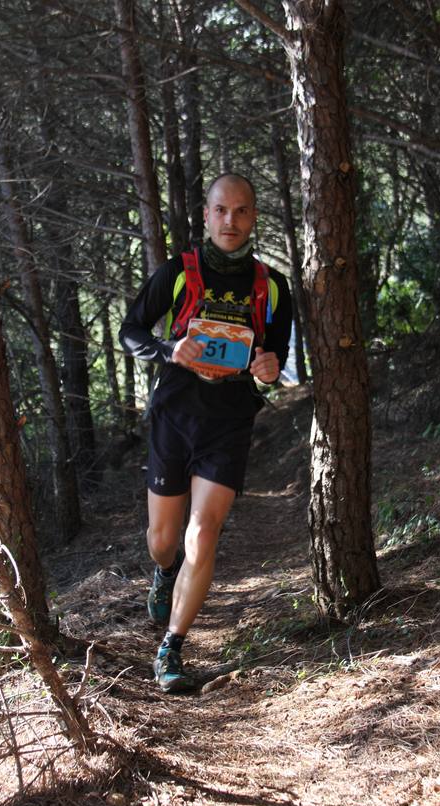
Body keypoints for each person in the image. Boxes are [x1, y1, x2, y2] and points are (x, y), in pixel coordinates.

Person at [119, 173, 292, 693]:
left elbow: (274, 357)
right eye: (222, 211)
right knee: (163, 540)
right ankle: (163, 571)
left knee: (205, 532)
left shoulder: (272, 286)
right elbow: (130, 331)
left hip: (230, 420)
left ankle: (171, 646)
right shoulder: (177, 273)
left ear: (253, 217)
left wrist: (267, 368)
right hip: (175, 414)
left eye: (241, 212)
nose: (231, 221)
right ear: (207, 215)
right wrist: (170, 350)